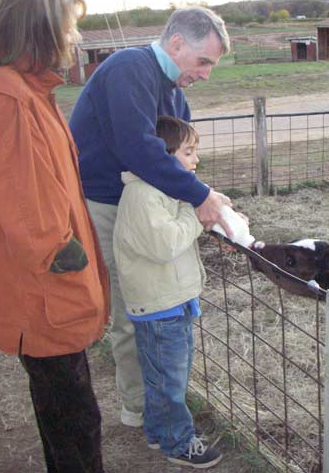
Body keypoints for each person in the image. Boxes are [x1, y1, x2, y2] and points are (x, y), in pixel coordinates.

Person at [0, 0, 110, 472]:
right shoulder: (4, 95)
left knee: (63, 413)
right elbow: (23, 209)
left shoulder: (16, 87)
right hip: (43, 292)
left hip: (43, 288)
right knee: (74, 423)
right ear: (37, 28)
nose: (74, 36)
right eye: (66, 26)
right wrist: (67, 255)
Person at [69, 6, 234, 428]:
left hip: (150, 205)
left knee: (160, 299)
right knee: (133, 305)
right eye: (204, 62)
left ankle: (163, 395)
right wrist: (201, 197)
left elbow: (178, 159)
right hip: (108, 205)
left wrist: (201, 197)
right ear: (176, 43)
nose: (206, 75)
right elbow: (139, 148)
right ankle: (141, 408)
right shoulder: (129, 67)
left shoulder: (175, 94)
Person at [113, 116, 249, 468]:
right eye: (189, 152)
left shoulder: (162, 191)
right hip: (160, 306)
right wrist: (195, 213)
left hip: (172, 300)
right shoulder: (143, 196)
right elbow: (166, 244)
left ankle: (160, 431)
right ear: (163, 156)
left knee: (167, 375)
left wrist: (215, 216)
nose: (196, 160)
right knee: (169, 381)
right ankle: (178, 442)